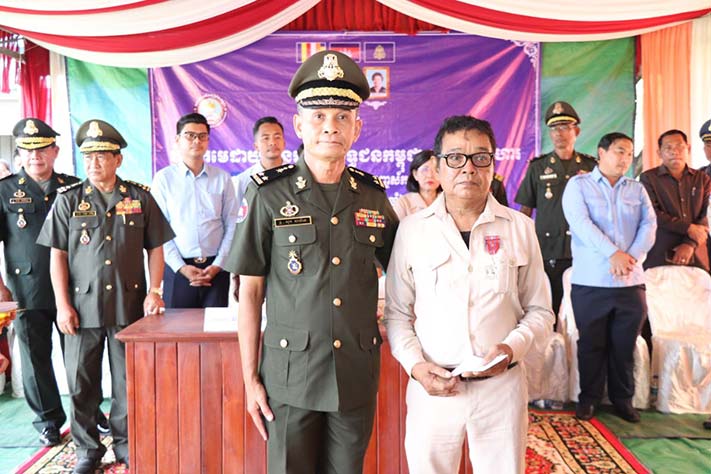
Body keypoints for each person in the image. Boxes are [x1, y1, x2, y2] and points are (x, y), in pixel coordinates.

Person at [223, 50, 398, 474]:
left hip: (354, 374)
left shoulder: (372, 196)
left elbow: (405, 267)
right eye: (318, 116)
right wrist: (250, 378)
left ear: (357, 127)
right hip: (289, 377)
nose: (330, 127)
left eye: (342, 117)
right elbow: (250, 293)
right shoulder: (268, 194)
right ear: (300, 126)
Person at [384, 115, 553, 474]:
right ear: (438, 167)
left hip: (501, 387)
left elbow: (540, 310)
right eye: (456, 157)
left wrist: (511, 348)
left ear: (493, 165)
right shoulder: (412, 231)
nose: (468, 168)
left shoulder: (520, 228)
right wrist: (416, 366)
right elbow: (397, 314)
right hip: (433, 387)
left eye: (480, 157)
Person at [37, 119, 174, 473]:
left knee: (128, 384)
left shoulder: (139, 198)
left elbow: (156, 248)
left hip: (129, 307)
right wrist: (62, 305)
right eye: (88, 157)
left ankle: (127, 446)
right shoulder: (68, 200)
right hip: (81, 310)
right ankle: (88, 450)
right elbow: (57, 256)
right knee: (81, 383)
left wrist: (155, 291)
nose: (94, 163)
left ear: (118, 159)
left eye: (101, 156)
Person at [562, 132, 656, 423]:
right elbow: (581, 224)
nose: (625, 158)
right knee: (591, 345)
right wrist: (613, 254)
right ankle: (588, 399)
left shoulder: (636, 189)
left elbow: (649, 225)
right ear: (601, 153)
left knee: (624, 345)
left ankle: (622, 400)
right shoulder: (578, 186)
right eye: (619, 151)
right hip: (591, 282)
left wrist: (630, 259)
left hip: (630, 282)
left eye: (629, 153)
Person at [0, 119, 80, 446]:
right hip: (26, 289)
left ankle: (87, 414)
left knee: (80, 357)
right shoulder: (4, 191)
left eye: (42, 148)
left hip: (74, 289)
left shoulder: (73, 187)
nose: (35, 155)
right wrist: (0, 289)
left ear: (55, 151)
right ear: (19, 153)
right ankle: (48, 420)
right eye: (28, 149)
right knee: (35, 359)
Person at [515, 101, 597, 321]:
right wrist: (521, 244)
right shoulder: (538, 167)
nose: (559, 133)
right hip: (548, 249)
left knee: (583, 308)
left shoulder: (591, 167)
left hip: (583, 248)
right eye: (554, 128)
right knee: (548, 306)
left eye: (565, 127)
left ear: (576, 131)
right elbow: (525, 210)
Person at [151, 113, 238, 308]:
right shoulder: (164, 179)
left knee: (214, 326)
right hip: (177, 269)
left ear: (208, 140)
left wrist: (218, 264)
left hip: (216, 270)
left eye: (202, 136)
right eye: (190, 135)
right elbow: (159, 229)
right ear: (177, 140)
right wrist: (181, 267)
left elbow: (232, 224)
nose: (197, 141)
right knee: (178, 326)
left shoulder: (222, 178)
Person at [640, 130, 710, 272]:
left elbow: (705, 216)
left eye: (679, 147)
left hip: (697, 253)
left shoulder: (702, 179)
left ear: (688, 149)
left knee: (700, 286)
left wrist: (689, 244)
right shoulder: (648, 178)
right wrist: (688, 228)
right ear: (659, 153)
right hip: (660, 253)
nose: (674, 152)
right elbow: (652, 213)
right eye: (668, 148)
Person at [234, 116, 286, 205]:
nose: (272, 142)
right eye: (266, 138)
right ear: (256, 146)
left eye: (277, 137)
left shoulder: (297, 176)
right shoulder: (243, 181)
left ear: (284, 143)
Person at [392, 149, 440, 218]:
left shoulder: (448, 201)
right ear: (415, 174)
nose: (430, 175)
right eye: (425, 170)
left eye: (436, 170)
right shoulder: (404, 203)